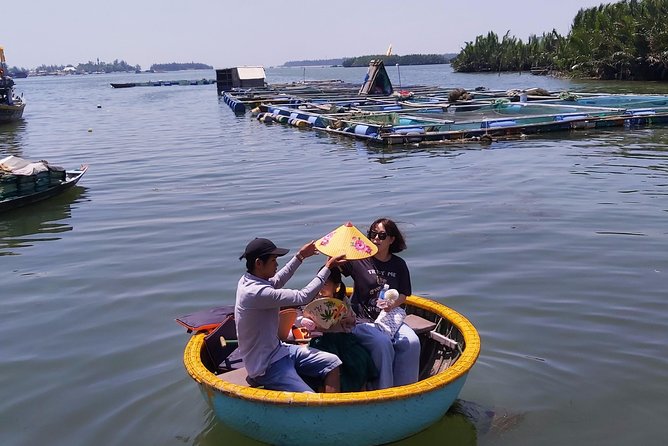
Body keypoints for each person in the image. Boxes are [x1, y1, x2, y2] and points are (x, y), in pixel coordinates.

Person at [235, 237, 346, 393]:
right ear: (259, 263)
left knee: (333, 362)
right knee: (309, 397)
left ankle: (331, 409)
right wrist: (327, 268)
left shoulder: (251, 279)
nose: (277, 264)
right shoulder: (254, 292)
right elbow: (303, 297)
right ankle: (322, 413)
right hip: (266, 366)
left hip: (280, 350)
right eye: (273, 261)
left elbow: (277, 280)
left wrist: (300, 256)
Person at [340, 218, 421, 389]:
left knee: (411, 342)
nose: (376, 238)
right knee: (382, 344)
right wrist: (341, 243)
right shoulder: (359, 259)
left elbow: (404, 294)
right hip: (363, 320)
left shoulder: (399, 264)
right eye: (372, 234)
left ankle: (406, 389)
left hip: (390, 318)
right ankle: (382, 391)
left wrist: (392, 305)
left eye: (382, 235)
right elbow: (335, 269)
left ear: (392, 239)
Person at [302, 266, 378, 392]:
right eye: (319, 283)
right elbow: (303, 317)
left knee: (361, 358)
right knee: (328, 363)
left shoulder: (342, 299)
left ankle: (360, 393)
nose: (321, 287)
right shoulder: (313, 298)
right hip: (322, 339)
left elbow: (353, 319)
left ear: (336, 286)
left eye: (325, 284)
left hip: (343, 339)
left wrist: (346, 319)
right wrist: (309, 323)